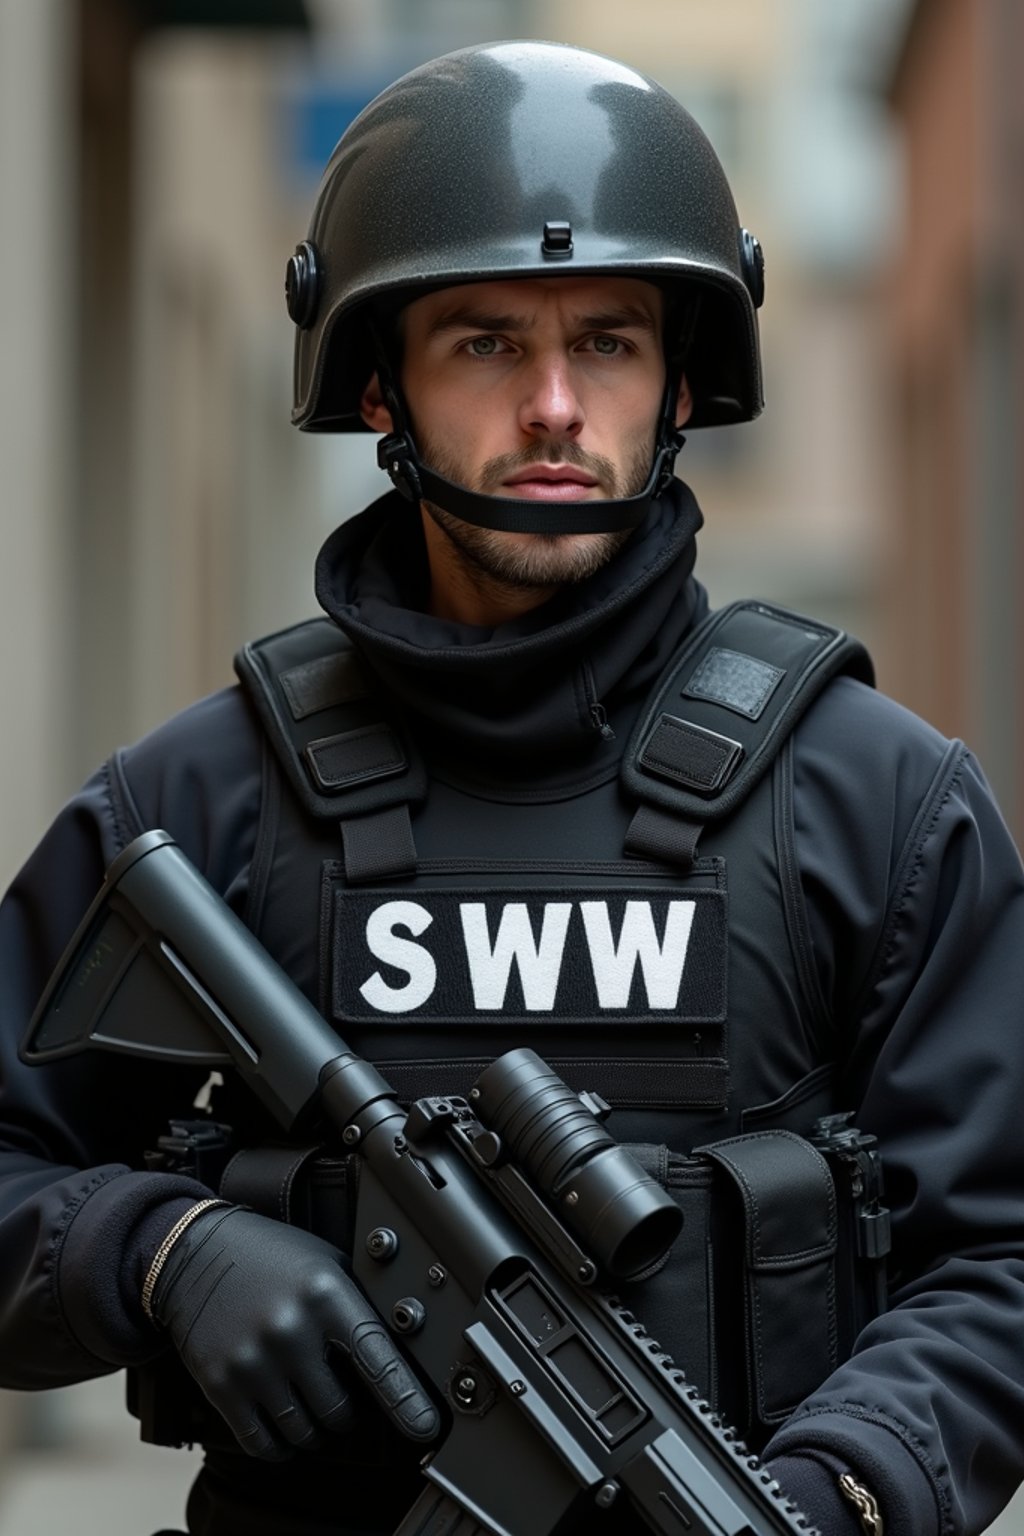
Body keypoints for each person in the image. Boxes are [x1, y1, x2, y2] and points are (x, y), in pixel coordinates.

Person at [2, 37, 1024, 1536]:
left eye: (607, 340)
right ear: (378, 386)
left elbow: (1002, 1257)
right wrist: (159, 1251)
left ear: (681, 382)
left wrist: (836, 1493)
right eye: (485, 340)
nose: (554, 405)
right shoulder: (203, 799)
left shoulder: (881, 804)